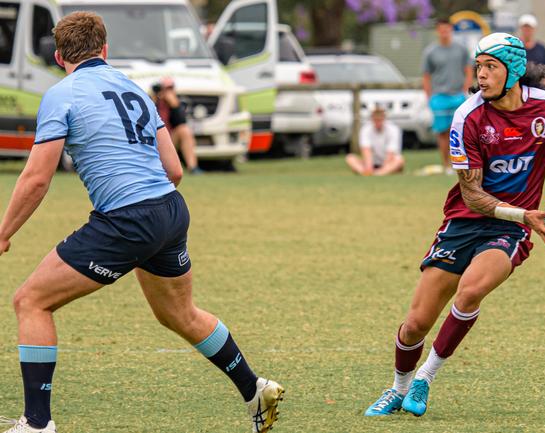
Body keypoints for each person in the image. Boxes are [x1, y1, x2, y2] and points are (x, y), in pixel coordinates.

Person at [0, 12, 282, 433]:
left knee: (31, 301)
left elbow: (38, 178)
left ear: (59, 56)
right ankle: (254, 388)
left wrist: (3, 233)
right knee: (178, 314)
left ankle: (37, 424)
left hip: (127, 221)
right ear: (105, 50)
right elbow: (175, 169)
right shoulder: (135, 89)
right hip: (170, 210)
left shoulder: (61, 95)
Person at [364, 32, 545, 418]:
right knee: (414, 326)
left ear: (514, 70)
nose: (482, 75)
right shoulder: (468, 116)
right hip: (465, 222)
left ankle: (425, 377)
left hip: (510, 231)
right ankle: (397, 388)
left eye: (491, 66)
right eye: (479, 67)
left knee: (470, 292)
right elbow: (472, 195)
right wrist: (524, 214)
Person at [422, 18, 474, 175]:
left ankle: (459, 163)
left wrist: (466, 89)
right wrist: (429, 96)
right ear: (438, 31)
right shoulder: (430, 52)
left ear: (451, 29)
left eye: (447, 29)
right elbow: (426, 76)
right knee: (442, 132)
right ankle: (446, 165)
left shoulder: (461, 49)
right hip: (439, 97)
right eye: (441, 29)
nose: (444, 32)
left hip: (458, 96)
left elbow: (469, 70)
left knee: (459, 132)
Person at [152, 77, 202, 174]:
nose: (168, 92)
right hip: (156, 139)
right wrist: (155, 100)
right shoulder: (153, 102)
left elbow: (181, 122)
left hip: (170, 138)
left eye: (170, 88)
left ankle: (193, 167)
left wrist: (174, 105)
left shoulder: (178, 103)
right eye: (165, 89)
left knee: (184, 130)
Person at [345, 106, 404, 176]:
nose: (378, 122)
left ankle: (379, 173)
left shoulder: (393, 130)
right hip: (372, 163)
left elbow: (390, 152)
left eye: (380, 119)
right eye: (376, 120)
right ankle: (367, 172)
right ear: (372, 119)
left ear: (384, 119)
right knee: (350, 158)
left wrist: (383, 167)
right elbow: (366, 150)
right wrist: (368, 167)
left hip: (388, 162)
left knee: (399, 159)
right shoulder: (366, 129)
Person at [518, 14, 545, 88]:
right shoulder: (515, 47)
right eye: (525, 27)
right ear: (521, 28)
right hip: (519, 89)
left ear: (534, 29)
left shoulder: (541, 48)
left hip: (538, 89)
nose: (527, 30)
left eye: (529, 28)